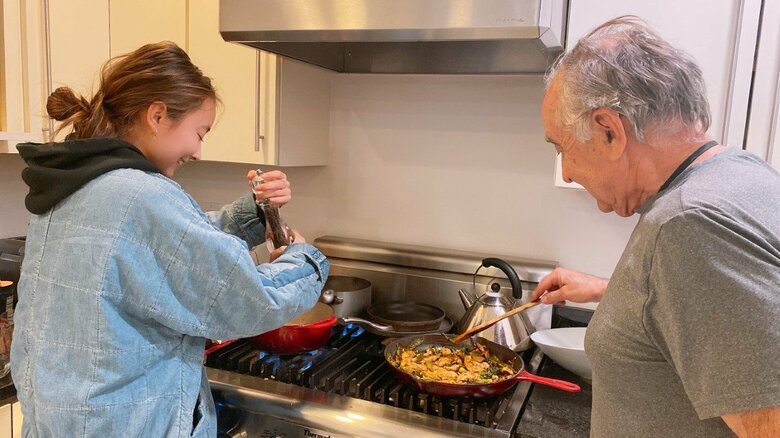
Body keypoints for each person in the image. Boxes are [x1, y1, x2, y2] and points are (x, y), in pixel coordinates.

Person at [11, 41, 329, 437]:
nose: (197, 151)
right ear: (158, 115)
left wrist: (254, 213)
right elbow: (246, 299)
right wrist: (307, 259)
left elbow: (157, 251)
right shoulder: (141, 194)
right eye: (199, 132)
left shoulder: (75, 181)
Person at [532, 16, 780, 438]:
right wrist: (611, 290)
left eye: (562, 148)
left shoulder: (689, 226)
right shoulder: (738, 173)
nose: (567, 172)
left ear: (609, 131)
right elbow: (720, 317)